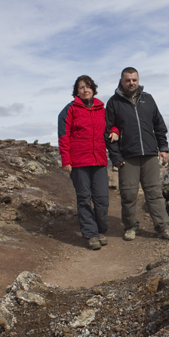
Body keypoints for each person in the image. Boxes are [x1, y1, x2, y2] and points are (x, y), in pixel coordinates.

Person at [105, 67, 169, 241]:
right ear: (121, 81)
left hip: (150, 154)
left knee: (154, 193)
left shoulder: (148, 99)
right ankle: (130, 227)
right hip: (127, 157)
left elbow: (159, 125)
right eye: (128, 80)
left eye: (134, 79)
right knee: (128, 194)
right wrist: (116, 156)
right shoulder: (114, 102)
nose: (131, 83)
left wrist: (164, 148)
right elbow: (107, 131)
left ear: (138, 80)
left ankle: (163, 227)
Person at [57, 75, 109, 250]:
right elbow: (63, 137)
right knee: (85, 199)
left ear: (93, 89)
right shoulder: (69, 110)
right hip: (79, 162)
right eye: (81, 87)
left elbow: (111, 126)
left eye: (88, 86)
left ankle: (101, 230)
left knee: (102, 198)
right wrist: (66, 160)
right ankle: (90, 234)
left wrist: (115, 131)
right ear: (76, 92)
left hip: (99, 159)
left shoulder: (101, 108)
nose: (85, 90)